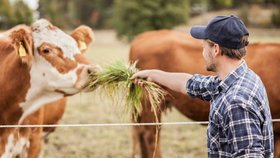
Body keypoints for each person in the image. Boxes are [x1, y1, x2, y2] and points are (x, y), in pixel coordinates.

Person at [131, 15, 274, 157]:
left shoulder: (236, 103)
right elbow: (190, 83)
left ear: (216, 49)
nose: (203, 53)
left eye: (203, 47)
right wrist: (153, 74)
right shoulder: (241, 79)